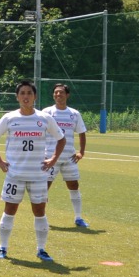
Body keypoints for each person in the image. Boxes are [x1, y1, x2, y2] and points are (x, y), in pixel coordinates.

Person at [0, 80, 65, 262]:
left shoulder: (44, 118)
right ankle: (3, 247)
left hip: (38, 175)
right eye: (22, 93)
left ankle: (41, 249)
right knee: (9, 210)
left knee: (40, 211)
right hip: (15, 175)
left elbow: (61, 139)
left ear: (35, 96)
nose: (26, 96)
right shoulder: (9, 118)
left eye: (29, 93)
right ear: (17, 97)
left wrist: (53, 159)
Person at [44, 82, 90, 227]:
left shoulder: (74, 114)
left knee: (74, 185)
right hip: (50, 157)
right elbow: (39, 132)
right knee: (44, 187)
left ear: (67, 95)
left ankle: (78, 217)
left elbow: (82, 132)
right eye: (56, 92)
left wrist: (81, 152)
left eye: (61, 92)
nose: (58, 94)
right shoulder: (47, 112)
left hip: (69, 157)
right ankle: (41, 218)